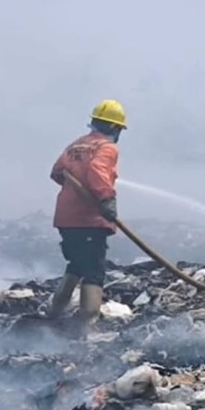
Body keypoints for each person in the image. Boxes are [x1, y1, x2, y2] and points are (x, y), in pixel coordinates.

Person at [45, 99, 126, 331]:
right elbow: (97, 170)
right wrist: (106, 198)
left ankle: (54, 313)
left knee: (77, 264)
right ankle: (89, 325)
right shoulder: (107, 148)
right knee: (94, 270)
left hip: (66, 218)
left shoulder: (76, 145)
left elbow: (57, 172)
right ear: (114, 127)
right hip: (88, 219)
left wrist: (75, 187)